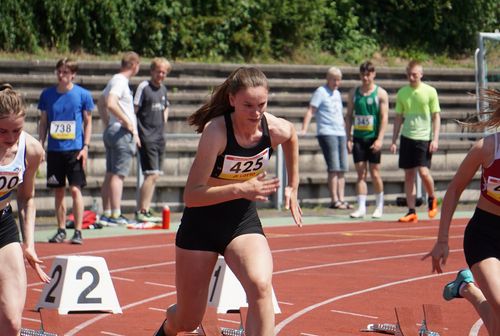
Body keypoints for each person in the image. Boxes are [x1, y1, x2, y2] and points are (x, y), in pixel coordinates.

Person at [154, 67, 302, 336]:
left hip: (241, 221)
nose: (255, 113)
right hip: (201, 225)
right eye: (248, 105)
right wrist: (240, 187)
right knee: (187, 321)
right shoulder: (217, 132)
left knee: (260, 286)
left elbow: (292, 135)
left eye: (261, 105)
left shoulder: (272, 128)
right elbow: (192, 196)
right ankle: (167, 328)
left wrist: (293, 186)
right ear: (232, 100)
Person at [424, 88, 500, 335]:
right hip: (485, 237)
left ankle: (466, 288)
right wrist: (442, 240)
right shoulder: (487, 147)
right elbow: (455, 189)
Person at [0, 84, 51, 335]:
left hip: (3, 225)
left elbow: (27, 197)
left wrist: (29, 244)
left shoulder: (31, 150)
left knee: (12, 323)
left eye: (16, 131)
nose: (10, 139)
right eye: (2, 131)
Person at [38, 58, 94, 244]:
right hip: (54, 150)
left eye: (65, 72)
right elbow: (44, 122)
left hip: (74, 151)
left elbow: (88, 122)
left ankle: (78, 231)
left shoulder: (83, 95)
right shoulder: (47, 95)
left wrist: (85, 147)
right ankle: (61, 229)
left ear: (73, 74)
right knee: (58, 191)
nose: (61, 75)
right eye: (59, 72)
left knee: (76, 190)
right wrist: (41, 144)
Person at [390, 60, 441, 222]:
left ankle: (432, 198)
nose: (411, 77)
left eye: (414, 74)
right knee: (408, 175)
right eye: (409, 74)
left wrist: (435, 139)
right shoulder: (402, 93)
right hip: (407, 137)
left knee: (424, 172)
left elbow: (436, 116)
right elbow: (398, 118)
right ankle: (411, 210)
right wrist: (394, 140)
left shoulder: (430, 91)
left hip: (424, 137)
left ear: (421, 74)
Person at [97, 52, 141, 226]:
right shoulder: (120, 81)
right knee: (118, 174)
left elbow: (101, 102)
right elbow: (110, 103)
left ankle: (107, 212)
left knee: (111, 172)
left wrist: (108, 122)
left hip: (113, 131)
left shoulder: (114, 80)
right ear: (134, 65)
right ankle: (115, 213)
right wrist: (127, 123)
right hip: (121, 133)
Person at [301, 66, 349, 209]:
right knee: (334, 167)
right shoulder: (321, 92)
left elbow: (340, 115)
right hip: (327, 132)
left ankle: (342, 198)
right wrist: (304, 128)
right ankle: (335, 200)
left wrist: (347, 134)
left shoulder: (337, 94)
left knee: (342, 168)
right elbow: (311, 111)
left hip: (340, 132)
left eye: (339, 80)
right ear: (328, 79)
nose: (336, 83)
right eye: (334, 80)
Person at [345, 61, 389, 218]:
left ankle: (379, 206)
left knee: (375, 173)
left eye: (368, 74)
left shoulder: (380, 93)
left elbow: (384, 118)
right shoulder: (354, 93)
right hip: (358, 137)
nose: (365, 77)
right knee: (360, 174)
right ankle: (361, 207)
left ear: (373, 74)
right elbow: (349, 116)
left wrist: (380, 138)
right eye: (363, 74)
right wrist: (348, 137)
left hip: (373, 138)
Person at [133, 58, 172, 223]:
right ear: (152, 71)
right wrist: (135, 133)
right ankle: (142, 210)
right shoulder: (144, 87)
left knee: (155, 175)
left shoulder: (163, 89)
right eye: (158, 71)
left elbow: (166, 106)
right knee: (151, 174)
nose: (160, 75)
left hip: (159, 137)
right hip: (146, 137)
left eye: (163, 72)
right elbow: (133, 110)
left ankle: (146, 209)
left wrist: (164, 120)